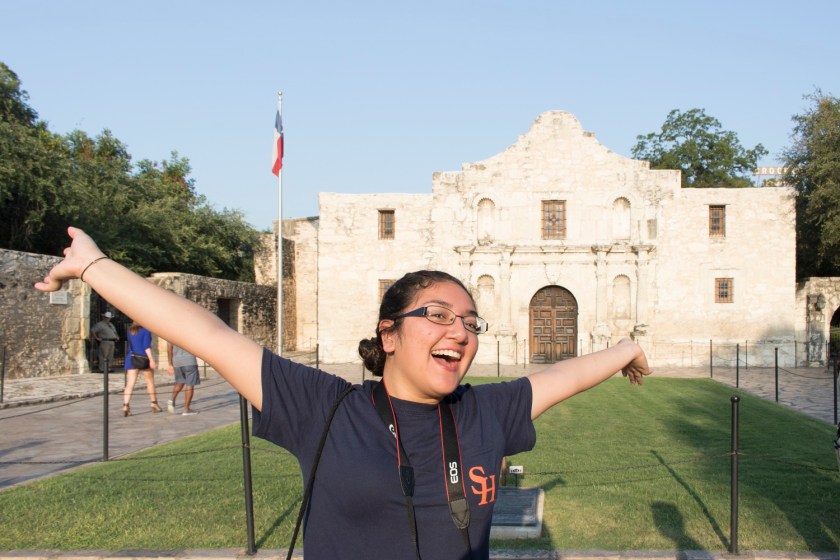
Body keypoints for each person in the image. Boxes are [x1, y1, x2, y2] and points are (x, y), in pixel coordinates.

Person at [35, 227, 651, 560]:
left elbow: (564, 376)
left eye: (470, 322)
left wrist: (626, 348)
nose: (459, 332)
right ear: (389, 333)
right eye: (438, 315)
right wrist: (93, 265)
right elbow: (210, 334)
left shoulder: (487, 411)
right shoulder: (326, 409)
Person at [122, 321, 161, 416]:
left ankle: (126, 405)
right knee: (149, 382)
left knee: (130, 384)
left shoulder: (130, 331)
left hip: (131, 358)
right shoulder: (146, 330)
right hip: (143, 358)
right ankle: (154, 403)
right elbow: (146, 346)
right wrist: (151, 360)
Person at [166, 341, 200, 415]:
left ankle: (172, 399)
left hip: (177, 362)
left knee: (179, 382)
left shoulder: (170, 335)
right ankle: (186, 409)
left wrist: (170, 363)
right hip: (189, 360)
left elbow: (169, 349)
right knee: (190, 384)